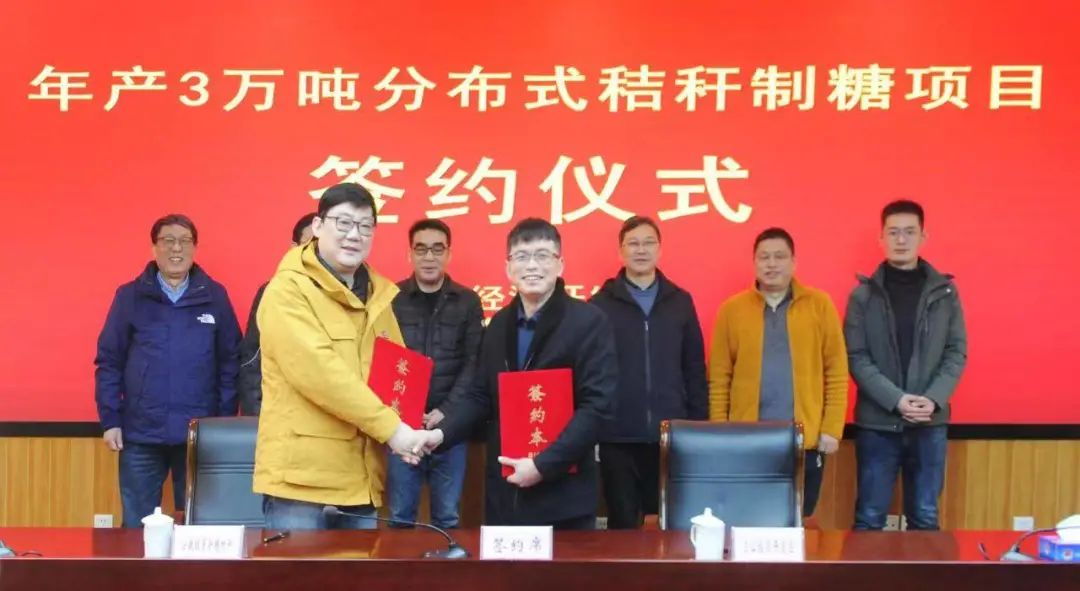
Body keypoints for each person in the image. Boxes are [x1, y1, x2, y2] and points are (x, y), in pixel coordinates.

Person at [252, 183, 432, 530]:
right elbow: (321, 375)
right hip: (302, 484)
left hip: (361, 481)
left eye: (365, 226)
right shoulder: (287, 290)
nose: (354, 235)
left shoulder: (377, 295)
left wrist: (410, 424)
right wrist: (394, 430)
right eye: (344, 223)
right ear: (318, 227)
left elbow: (397, 370)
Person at [421, 218, 617, 529]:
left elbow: (597, 408)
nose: (532, 265)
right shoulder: (499, 324)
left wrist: (542, 466)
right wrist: (440, 434)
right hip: (505, 493)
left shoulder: (588, 322)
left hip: (563, 498)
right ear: (508, 268)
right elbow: (480, 395)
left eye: (543, 255)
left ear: (560, 264)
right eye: (522, 257)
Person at [94, 213, 241, 527]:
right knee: (136, 527)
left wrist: (223, 423)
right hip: (140, 434)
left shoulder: (214, 296)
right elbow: (109, 360)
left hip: (198, 435)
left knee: (200, 526)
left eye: (185, 241)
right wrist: (111, 419)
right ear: (154, 248)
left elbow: (231, 362)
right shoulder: (130, 296)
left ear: (195, 248)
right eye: (168, 241)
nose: (177, 248)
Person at [708, 227, 848, 518]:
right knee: (746, 516)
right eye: (764, 257)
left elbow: (836, 371)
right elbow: (719, 378)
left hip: (804, 439)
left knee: (799, 518)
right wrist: (721, 432)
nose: (771, 264)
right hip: (747, 440)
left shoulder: (819, 305)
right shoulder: (732, 310)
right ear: (754, 263)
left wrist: (831, 428)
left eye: (779, 257)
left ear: (793, 262)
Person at [845, 200, 967, 531]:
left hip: (929, 423)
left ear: (923, 237)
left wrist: (933, 399)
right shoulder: (862, 296)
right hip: (877, 425)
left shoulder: (945, 293)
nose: (901, 240)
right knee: (869, 517)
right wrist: (897, 400)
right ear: (881, 238)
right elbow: (856, 356)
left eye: (910, 232)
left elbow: (956, 351)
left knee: (925, 517)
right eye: (893, 232)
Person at [589, 216, 707, 529]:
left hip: (670, 435)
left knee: (669, 526)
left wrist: (697, 427)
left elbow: (694, 368)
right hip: (616, 436)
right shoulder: (599, 306)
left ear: (660, 249)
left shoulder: (680, 302)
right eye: (633, 244)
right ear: (621, 251)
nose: (641, 250)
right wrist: (593, 430)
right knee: (622, 525)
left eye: (648, 243)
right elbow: (591, 373)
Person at [387, 219, 483, 529]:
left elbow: (473, 363)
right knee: (400, 516)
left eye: (437, 249)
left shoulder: (468, 302)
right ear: (410, 254)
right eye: (421, 249)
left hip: (449, 430)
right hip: (402, 426)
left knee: (447, 518)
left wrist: (446, 411)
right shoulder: (391, 298)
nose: (429, 257)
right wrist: (406, 412)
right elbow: (385, 359)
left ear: (448, 254)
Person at [238, 212, 316, 415]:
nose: (316, 251)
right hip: (282, 413)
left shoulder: (350, 293)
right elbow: (252, 358)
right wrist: (255, 415)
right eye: (309, 243)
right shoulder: (273, 291)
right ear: (294, 247)